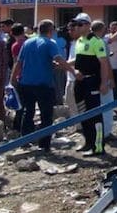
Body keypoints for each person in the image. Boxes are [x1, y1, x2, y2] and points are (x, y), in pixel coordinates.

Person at [10, 20, 80, 152]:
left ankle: (25, 140)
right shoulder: (50, 43)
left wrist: (13, 80)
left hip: (26, 83)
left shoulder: (27, 43)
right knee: (46, 115)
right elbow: (59, 59)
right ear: (50, 31)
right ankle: (44, 144)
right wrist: (73, 71)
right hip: (44, 85)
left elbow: (18, 63)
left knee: (27, 112)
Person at [72, 13, 111, 156]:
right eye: (76, 24)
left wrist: (104, 83)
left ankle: (98, 146)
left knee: (95, 114)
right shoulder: (79, 41)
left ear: (88, 26)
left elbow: (104, 64)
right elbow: (78, 61)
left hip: (92, 81)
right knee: (82, 113)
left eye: (80, 24)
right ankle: (88, 142)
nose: (77, 27)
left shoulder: (97, 41)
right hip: (80, 82)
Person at [92, 21, 115, 138]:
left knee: (94, 106)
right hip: (103, 78)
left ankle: (95, 132)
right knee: (107, 105)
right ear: (102, 29)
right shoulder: (101, 42)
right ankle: (106, 133)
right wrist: (110, 79)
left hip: (91, 79)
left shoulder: (86, 41)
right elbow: (106, 63)